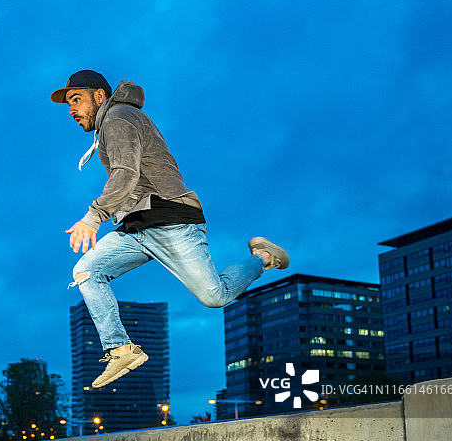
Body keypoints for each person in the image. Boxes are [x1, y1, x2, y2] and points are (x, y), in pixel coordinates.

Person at [51, 70, 289, 389]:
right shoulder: (114, 122)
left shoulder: (118, 118)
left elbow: (124, 173)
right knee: (86, 271)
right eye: (68, 104)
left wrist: (93, 217)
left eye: (76, 100)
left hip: (171, 218)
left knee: (214, 296)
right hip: (137, 225)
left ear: (99, 96)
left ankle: (262, 257)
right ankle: (121, 350)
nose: (71, 111)